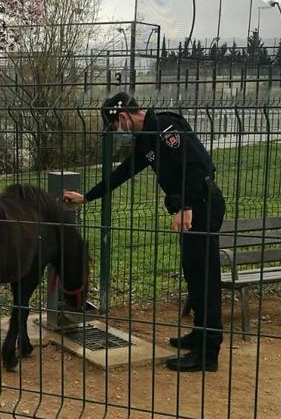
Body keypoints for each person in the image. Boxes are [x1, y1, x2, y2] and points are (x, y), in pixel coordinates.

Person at [63, 92, 225, 372]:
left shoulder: (164, 128)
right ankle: (199, 335)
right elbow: (121, 173)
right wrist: (87, 197)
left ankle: (208, 353)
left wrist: (186, 205)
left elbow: (199, 165)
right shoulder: (147, 139)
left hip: (201, 204)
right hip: (191, 208)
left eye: (115, 126)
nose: (117, 132)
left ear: (123, 116)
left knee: (205, 276)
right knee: (194, 273)